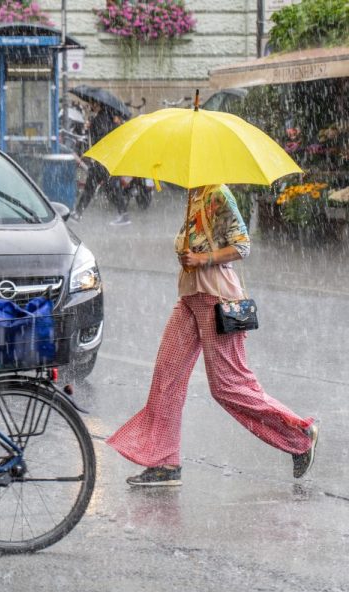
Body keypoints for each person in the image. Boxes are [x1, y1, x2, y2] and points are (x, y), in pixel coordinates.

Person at [106, 184, 318, 486]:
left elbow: (242, 246)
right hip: (190, 298)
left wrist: (202, 259)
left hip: (217, 298)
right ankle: (166, 463)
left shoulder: (218, 193)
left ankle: (299, 434)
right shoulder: (194, 194)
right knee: (167, 375)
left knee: (228, 386)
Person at [73, 101, 130, 226]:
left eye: (93, 104)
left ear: (98, 105)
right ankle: (78, 213)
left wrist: (90, 127)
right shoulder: (108, 117)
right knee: (102, 187)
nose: (91, 106)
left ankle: (78, 213)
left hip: (102, 160)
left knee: (100, 187)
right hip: (107, 159)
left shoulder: (101, 119)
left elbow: (100, 138)